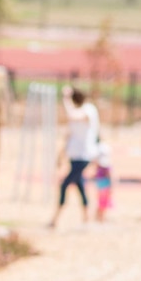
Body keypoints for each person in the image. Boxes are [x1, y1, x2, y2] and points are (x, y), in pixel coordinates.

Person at [49, 86, 99, 227]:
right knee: (79, 185)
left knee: (64, 185)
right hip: (74, 156)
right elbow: (69, 136)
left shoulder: (89, 110)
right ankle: (86, 218)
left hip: (84, 156)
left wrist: (66, 99)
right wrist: (61, 155)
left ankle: (55, 219)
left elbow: (73, 115)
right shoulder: (76, 114)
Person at [93, 138, 113, 222]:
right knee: (101, 203)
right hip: (101, 187)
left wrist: (111, 188)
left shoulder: (107, 167)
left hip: (105, 187)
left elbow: (111, 177)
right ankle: (99, 217)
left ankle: (101, 217)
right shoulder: (99, 167)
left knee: (103, 203)